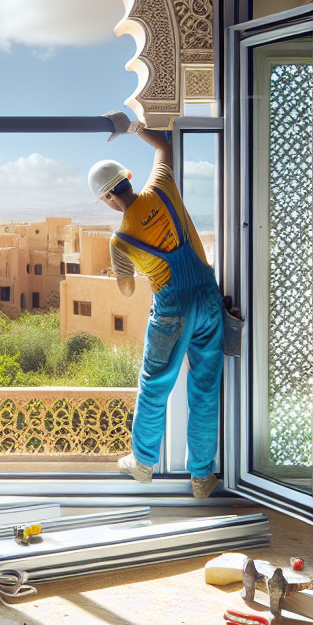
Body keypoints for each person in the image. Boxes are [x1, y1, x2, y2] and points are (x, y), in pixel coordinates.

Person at [89, 114, 227, 498]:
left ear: (107, 198)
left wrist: (124, 269)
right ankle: (201, 477)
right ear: (128, 178)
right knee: (204, 388)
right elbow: (166, 145)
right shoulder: (161, 186)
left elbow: (128, 289)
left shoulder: (120, 241)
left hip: (173, 311)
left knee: (154, 386)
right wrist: (132, 127)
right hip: (209, 297)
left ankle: (144, 463)